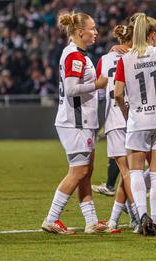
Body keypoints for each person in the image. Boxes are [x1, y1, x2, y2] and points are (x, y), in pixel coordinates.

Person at [42, 12, 109, 234]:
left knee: (86, 171)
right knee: (78, 171)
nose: (96, 32)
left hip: (82, 121)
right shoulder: (74, 56)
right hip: (75, 122)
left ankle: (91, 221)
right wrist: (97, 85)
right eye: (92, 29)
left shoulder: (79, 55)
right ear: (80, 32)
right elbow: (71, 90)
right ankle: (52, 218)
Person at [114, 14, 156, 236]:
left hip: (138, 120)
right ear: (152, 33)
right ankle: (155, 220)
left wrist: (126, 111)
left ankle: (141, 219)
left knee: (136, 172)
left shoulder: (125, 59)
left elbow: (118, 93)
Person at [96, 23, 139, 231]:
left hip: (114, 118)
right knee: (133, 172)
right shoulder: (139, 55)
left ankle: (138, 216)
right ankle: (134, 216)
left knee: (126, 172)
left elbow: (100, 93)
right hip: (136, 116)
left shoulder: (104, 59)